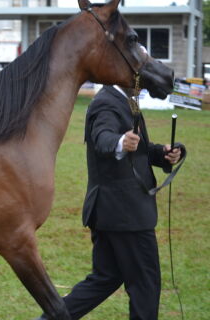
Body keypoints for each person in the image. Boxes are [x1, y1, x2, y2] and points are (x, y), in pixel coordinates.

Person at [40, 85, 183, 320]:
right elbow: (101, 137)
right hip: (125, 213)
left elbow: (139, 149)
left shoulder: (127, 99)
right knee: (146, 283)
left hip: (112, 210)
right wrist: (119, 142)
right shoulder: (106, 102)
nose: (143, 77)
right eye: (138, 67)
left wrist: (163, 153)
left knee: (105, 279)